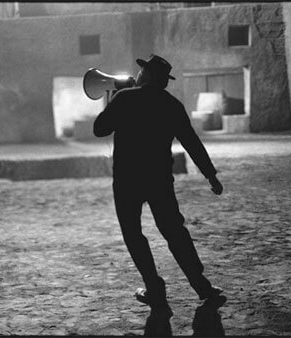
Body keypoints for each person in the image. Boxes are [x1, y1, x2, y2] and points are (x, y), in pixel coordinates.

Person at [93, 54, 224, 318]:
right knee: (175, 231)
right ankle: (202, 286)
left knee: (133, 234)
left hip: (127, 180)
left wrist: (114, 98)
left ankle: (154, 287)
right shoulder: (171, 104)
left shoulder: (124, 98)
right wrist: (211, 175)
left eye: (141, 72)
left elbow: (100, 129)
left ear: (147, 76)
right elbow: (192, 142)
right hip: (159, 179)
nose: (137, 74)